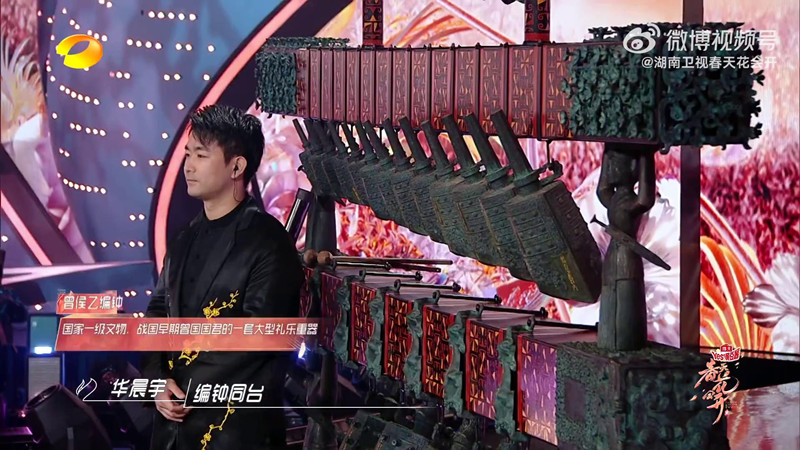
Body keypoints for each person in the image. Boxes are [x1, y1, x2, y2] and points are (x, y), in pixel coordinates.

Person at [143, 105, 304, 449]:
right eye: (188, 154)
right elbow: (157, 313)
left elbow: (257, 336)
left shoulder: (268, 242)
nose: (188, 166)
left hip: (233, 432)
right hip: (172, 433)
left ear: (237, 166)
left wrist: (183, 383)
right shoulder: (184, 238)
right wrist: (157, 381)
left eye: (201, 155)